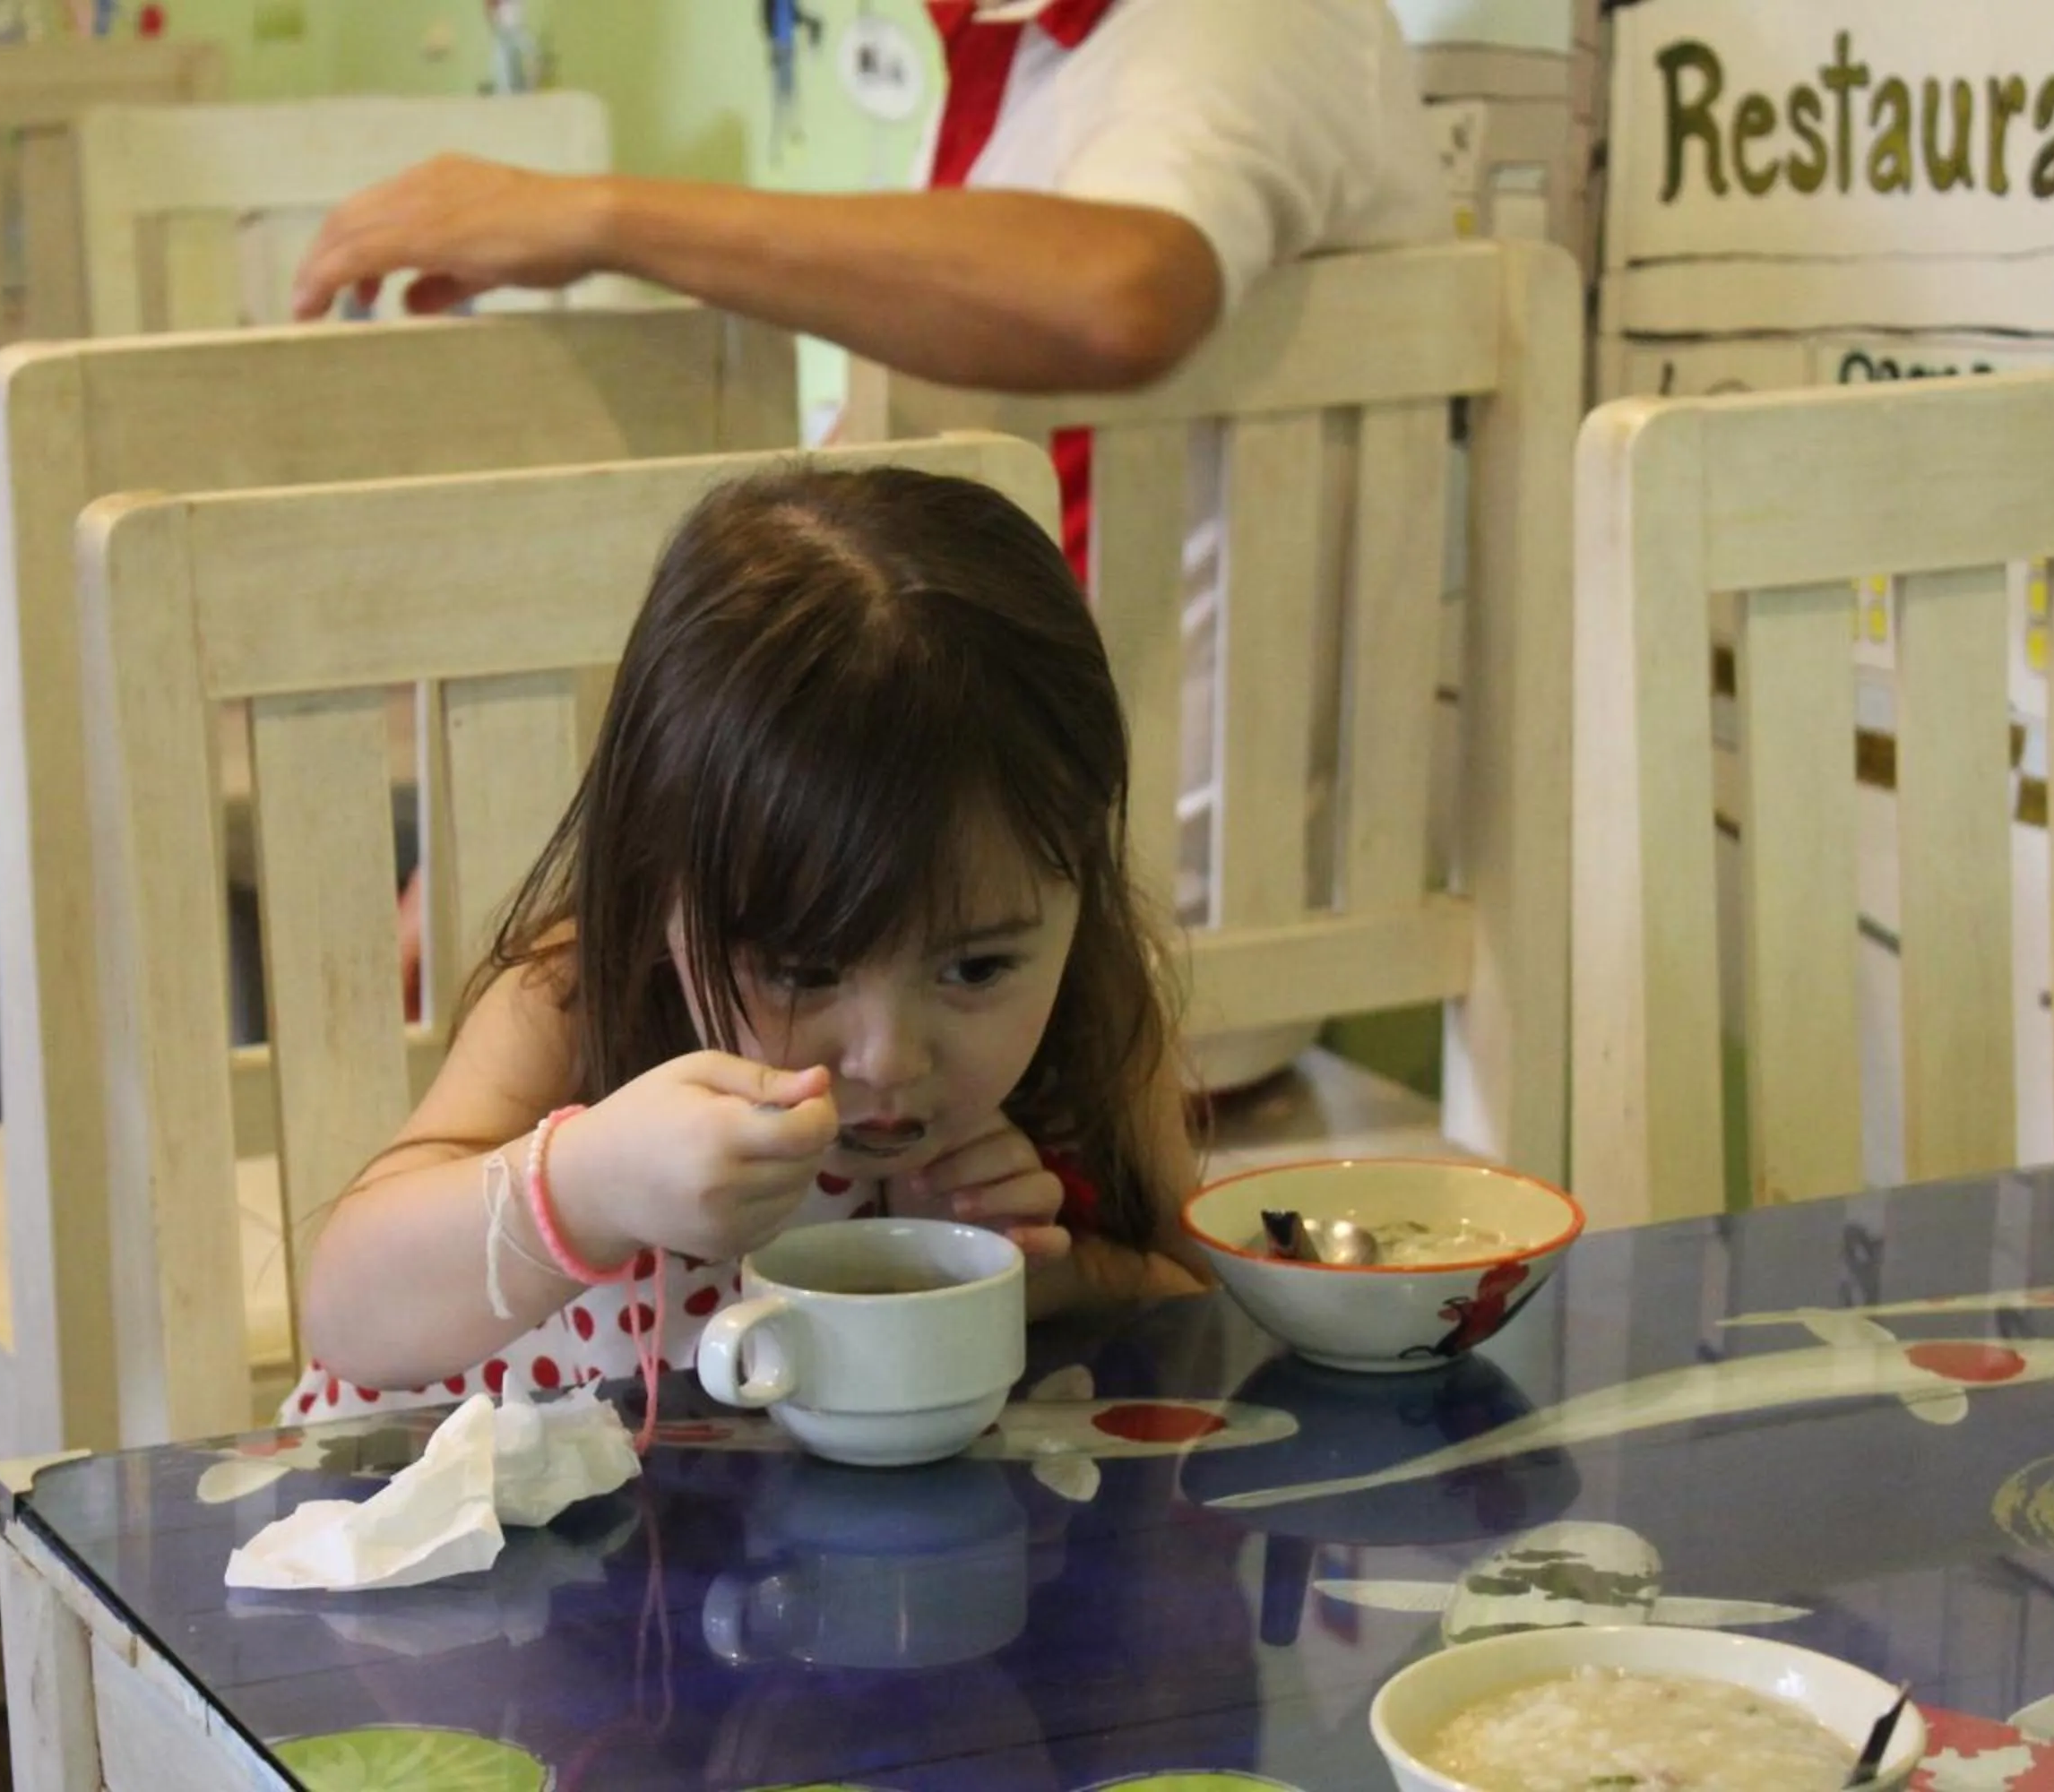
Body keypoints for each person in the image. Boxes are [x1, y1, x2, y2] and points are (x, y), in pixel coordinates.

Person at [294, 0, 1447, 1059]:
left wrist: (599, 214)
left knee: (449, 1036)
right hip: (964, 907)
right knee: (506, 951)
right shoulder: (1032, 61)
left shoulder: (1250, 24)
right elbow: (840, 536)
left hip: (1050, 963)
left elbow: (1120, 295)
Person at [288, 467, 1206, 1417]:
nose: (888, 1053)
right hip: (492, 1539)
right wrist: (588, 1184)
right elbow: (346, 1311)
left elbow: (1203, 1314)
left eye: (976, 967)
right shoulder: (577, 1000)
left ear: (1080, 882)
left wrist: (1024, 1275)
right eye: (804, 968)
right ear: (661, 882)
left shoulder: (1095, 1010)